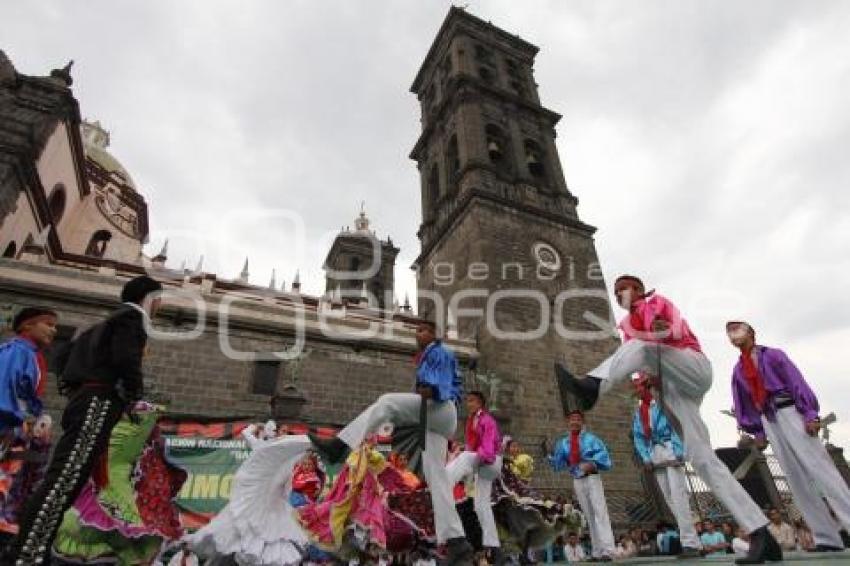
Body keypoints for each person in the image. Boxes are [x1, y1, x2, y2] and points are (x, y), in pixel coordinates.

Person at [555, 275, 780, 564]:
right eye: (615, 291)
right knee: (702, 460)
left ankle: (591, 386)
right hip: (671, 386)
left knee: (642, 347)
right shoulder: (626, 327)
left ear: (637, 289)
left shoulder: (657, 302)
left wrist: (663, 329)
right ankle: (761, 533)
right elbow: (634, 362)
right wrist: (648, 380)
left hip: (692, 366)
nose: (619, 294)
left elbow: (674, 327)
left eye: (623, 288)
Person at [11, 275, 162, 564]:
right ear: (150, 297)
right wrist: (133, 394)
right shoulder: (131, 319)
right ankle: (27, 553)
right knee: (65, 477)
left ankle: (28, 547)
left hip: (85, 399)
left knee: (66, 475)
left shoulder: (101, 325)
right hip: (99, 402)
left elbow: (63, 360)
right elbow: (126, 359)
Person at [308, 320, 474, 564]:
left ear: (436, 335)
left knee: (387, 402)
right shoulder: (423, 357)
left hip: (440, 410)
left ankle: (339, 447)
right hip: (431, 419)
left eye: (425, 329)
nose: (420, 333)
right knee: (437, 479)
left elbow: (444, 379)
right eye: (417, 330)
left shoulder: (440, 352)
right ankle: (457, 542)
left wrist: (433, 389)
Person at [727, 319, 850, 552]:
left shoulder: (773, 355)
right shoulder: (738, 370)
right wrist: (758, 432)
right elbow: (744, 403)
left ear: (751, 332)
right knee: (795, 479)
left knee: (822, 471)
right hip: (768, 419)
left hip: (790, 409)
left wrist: (810, 414)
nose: (732, 334)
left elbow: (797, 382)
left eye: (737, 329)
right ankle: (826, 537)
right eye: (729, 332)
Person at [630, 373, 701, 557]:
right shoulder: (639, 413)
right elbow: (638, 437)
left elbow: (676, 426)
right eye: (636, 387)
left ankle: (690, 542)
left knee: (679, 495)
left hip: (669, 447)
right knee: (669, 499)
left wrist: (678, 451)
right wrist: (646, 457)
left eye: (640, 387)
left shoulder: (663, 404)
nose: (638, 390)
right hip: (655, 452)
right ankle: (691, 539)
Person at [546, 408, 614, 562]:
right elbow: (559, 463)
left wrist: (593, 463)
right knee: (589, 515)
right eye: (572, 419)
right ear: (568, 422)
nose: (574, 422)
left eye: (578, 419)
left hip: (592, 477)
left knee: (600, 513)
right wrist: (549, 456)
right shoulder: (563, 442)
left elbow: (604, 455)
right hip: (577, 480)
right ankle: (597, 551)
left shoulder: (592, 439)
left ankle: (608, 550)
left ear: (582, 422)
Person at [447, 390, 503, 564]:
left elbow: (487, 447)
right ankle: (493, 546)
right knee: (481, 505)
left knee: (463, 458)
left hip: (490, 461)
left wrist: (474, 456)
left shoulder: (486, 420)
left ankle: (443, 483)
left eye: (472, 401)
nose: (468, 404)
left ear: (480, 403)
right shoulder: (472, 421)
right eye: (468, 401)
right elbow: (474, 445)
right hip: (484, 466)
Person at [0, 308, 57, 440]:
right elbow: (3, 390)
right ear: (27, 325)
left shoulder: (31, 354)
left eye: (55, 326)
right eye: (49, 324)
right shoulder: (16, 351)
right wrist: (25, 420)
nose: (54, 330)